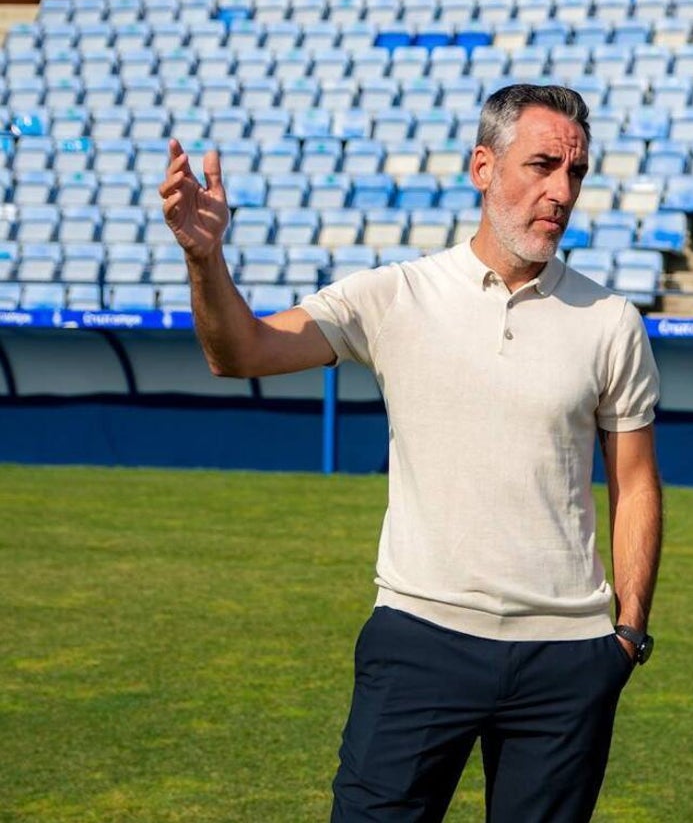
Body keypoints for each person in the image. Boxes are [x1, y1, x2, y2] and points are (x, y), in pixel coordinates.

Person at [160, 84, 663, 823]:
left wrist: (626, 636)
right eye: (543, 165)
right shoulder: (396, 295)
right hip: (420, 639)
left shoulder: (612, 320)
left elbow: (637, 485)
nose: (562, 191)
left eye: (576, 173)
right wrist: (206, 261)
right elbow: (241, 352)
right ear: (483, 167)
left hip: (568, 656)